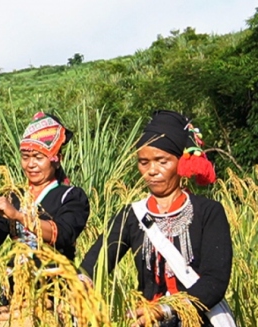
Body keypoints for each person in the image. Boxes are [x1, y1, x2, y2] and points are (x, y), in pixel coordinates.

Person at [79, 110, 235, 327]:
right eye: (144, 162)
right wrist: (73, 288)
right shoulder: (131, 216)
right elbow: (94, 264)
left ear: (180, 162)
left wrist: (166, 309)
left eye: (162, 161)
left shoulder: (208, 212)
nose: (152, 171)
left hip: (200, 321)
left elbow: (215, 281)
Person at [0, 112, 90, 262]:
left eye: (38, 157)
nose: (31, 164)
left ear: (57, 160)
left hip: (53, 278)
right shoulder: (14, 196)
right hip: (15, 280)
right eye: (25, 157)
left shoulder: (71, 196)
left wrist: (18, 216)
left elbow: (63, 235)